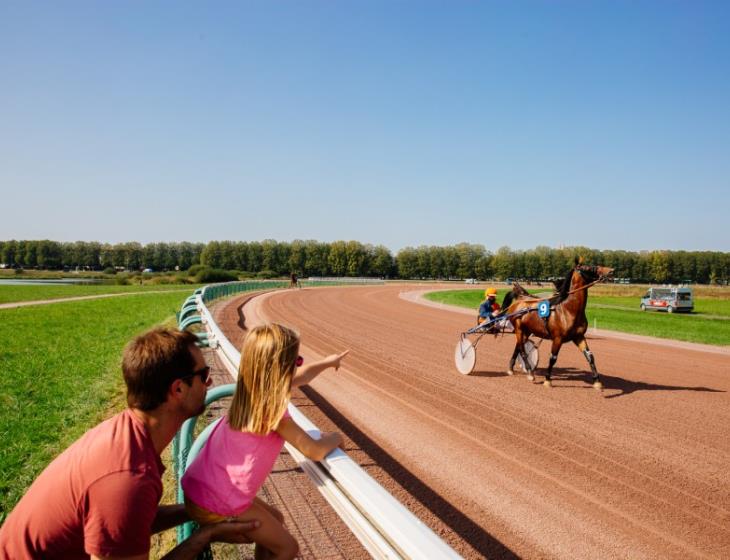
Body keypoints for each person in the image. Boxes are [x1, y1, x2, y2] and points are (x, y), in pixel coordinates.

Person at [0, 328, 259, 560]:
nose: (210, 382)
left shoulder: (126, 435)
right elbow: (125, 506)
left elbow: (128, 521)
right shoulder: (127, 478)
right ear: (178, 389)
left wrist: (199, 511)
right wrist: (203, 537)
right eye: (204, 374)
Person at [181, 323, 347, 560]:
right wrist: (335, 437)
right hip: (216, 501)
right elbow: (313, 450)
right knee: (288, 548)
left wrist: (329, 362)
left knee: (276, 518)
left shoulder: (250, 392)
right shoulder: (271, 409)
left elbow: (304, 375)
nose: (299, 365)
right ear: (281, 368)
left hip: (198, 488)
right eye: (296, 361)